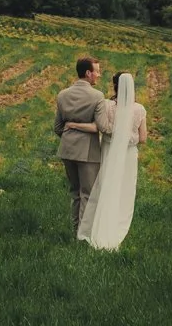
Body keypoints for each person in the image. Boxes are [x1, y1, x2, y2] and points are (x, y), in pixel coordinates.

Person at [67, 71, 147, 251]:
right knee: (123, 190)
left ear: (115, 86)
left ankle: (94, 226)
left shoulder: (107, 105)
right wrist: (127, 138)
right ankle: (116, 228)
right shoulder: (139, 109)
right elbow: (143, 138)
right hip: (128, 155)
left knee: (103, 187)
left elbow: (101, 127)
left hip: (108, 150)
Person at [53, 56, 112, 235]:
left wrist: (72, 129)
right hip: (88, 152)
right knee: (88, 194)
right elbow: (104, 127)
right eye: (97, 71)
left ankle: (75, 231)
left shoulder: (62, 94)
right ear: (88, 73)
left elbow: (57, 127)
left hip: (67, 150)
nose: (99, 75)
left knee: (75, 193)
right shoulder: (97, 96)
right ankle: (84, 235)